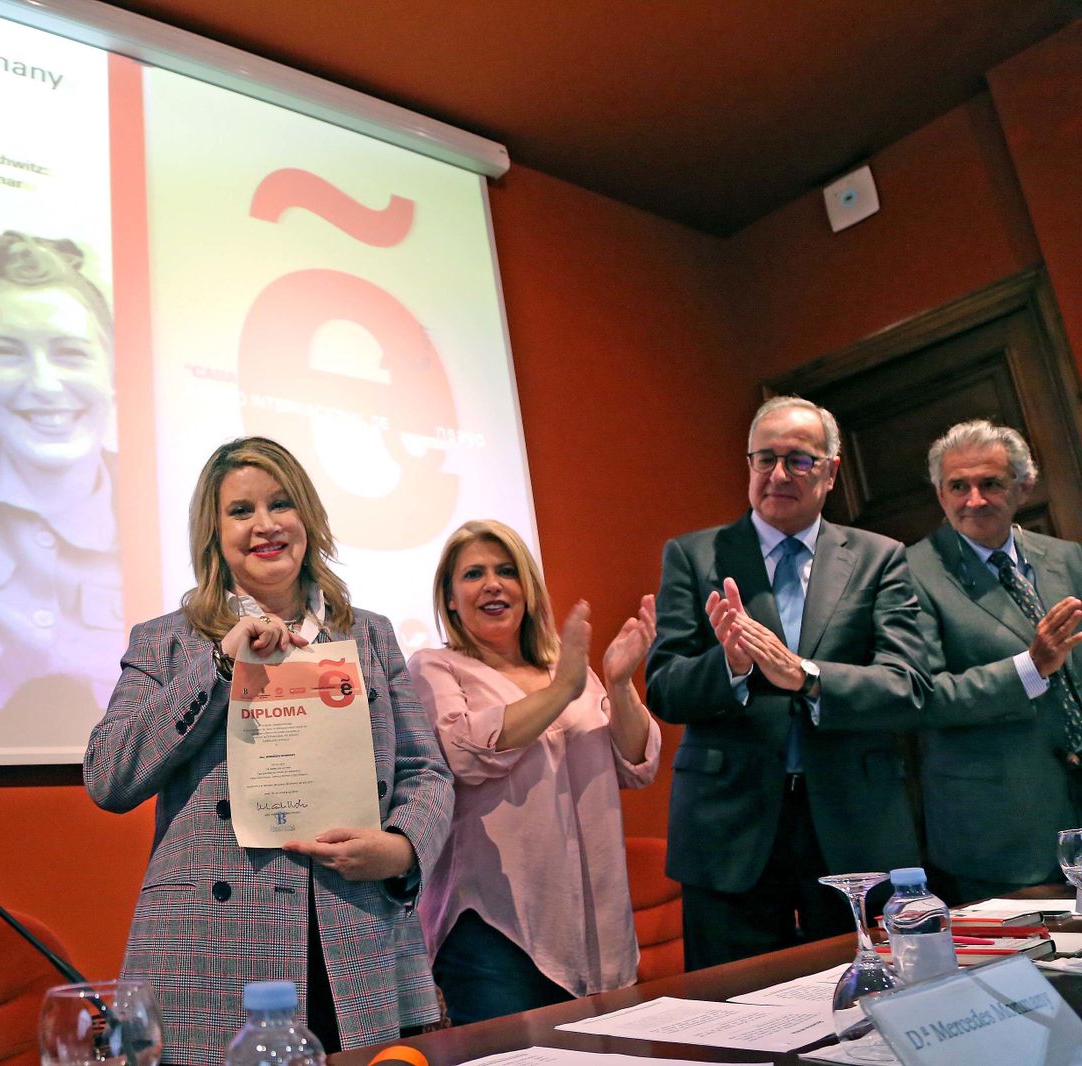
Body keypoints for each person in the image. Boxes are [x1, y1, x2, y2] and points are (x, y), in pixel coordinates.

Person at [83, 436, 453, 1066]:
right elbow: (109, 777)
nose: (265, 525)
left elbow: (426, 773)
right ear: (213, 534)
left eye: (281, 504)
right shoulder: (167, 643)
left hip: (350, 930)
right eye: (241, 511)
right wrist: (220, 662)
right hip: (210, 948)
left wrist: (400, 849)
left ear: (307, 517)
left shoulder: (369, 633)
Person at [645, 395, 930, 970]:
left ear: (831, 470)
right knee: (732, 1019)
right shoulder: (695, 555)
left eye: (798, 460)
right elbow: (665, 687)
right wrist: (732, 666)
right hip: (728, 826)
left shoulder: (881, 558)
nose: (777, 475)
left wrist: (807, 676)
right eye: (763, 459)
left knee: (865, 1008)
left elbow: (908, 685)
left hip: (852, 822)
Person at [409, 519, 660, 1023]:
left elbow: (634, 765)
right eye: (473, 574)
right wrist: (561, 691)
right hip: (494, 930)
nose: (493, 584)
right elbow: (463, 752)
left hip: (597, 930)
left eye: (506, 571)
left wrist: (618, 681)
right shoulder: (436, 667)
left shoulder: (568, 672)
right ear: (451, 598)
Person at [0, 230, 123, 714]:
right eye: (5, 352)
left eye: (71, 353)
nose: (44, 384)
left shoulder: (175, 518)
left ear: (113, 370)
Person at [906, 419, 1082, 902]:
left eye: (990, 484)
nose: (974, 500)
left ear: (1023, 487)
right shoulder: (909, 573)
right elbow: (921, 695)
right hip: (997, 831)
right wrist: (1029, 668)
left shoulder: (1068, 560)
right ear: (940, 494)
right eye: (958, 486)